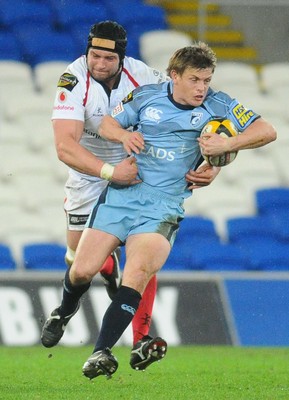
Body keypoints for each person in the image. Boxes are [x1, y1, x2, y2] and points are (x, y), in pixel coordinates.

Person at [43, 41, 273, 380]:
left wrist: (227, 145)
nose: (202, 88)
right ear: (175, 75)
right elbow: (107, 123)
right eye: (195, 80)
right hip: (122, 194)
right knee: (81, 271)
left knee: (136, 275)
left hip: (163, 207)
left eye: (207, 80)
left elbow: (266, 131)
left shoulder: (219, 104)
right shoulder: (147, 96)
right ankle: (64, 311)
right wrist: (122, 136)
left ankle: (100, 352)